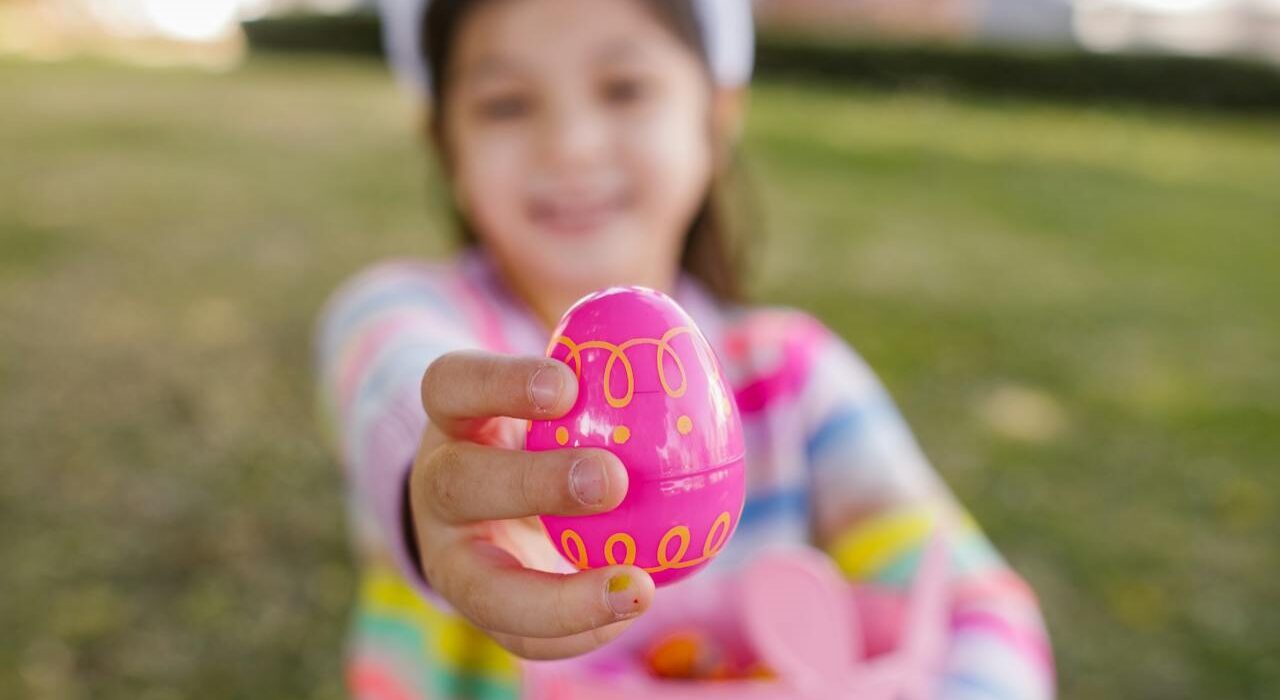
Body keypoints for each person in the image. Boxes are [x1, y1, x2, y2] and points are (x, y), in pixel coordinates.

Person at [315, 0, 1054, 697]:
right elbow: (399, 379)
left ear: (717, 116)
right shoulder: (402, 311)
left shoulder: (792, 376)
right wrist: (443, 479)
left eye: (624, 88)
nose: (570, 145)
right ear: (444, 141)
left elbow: (972, 603)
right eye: (506, 103)